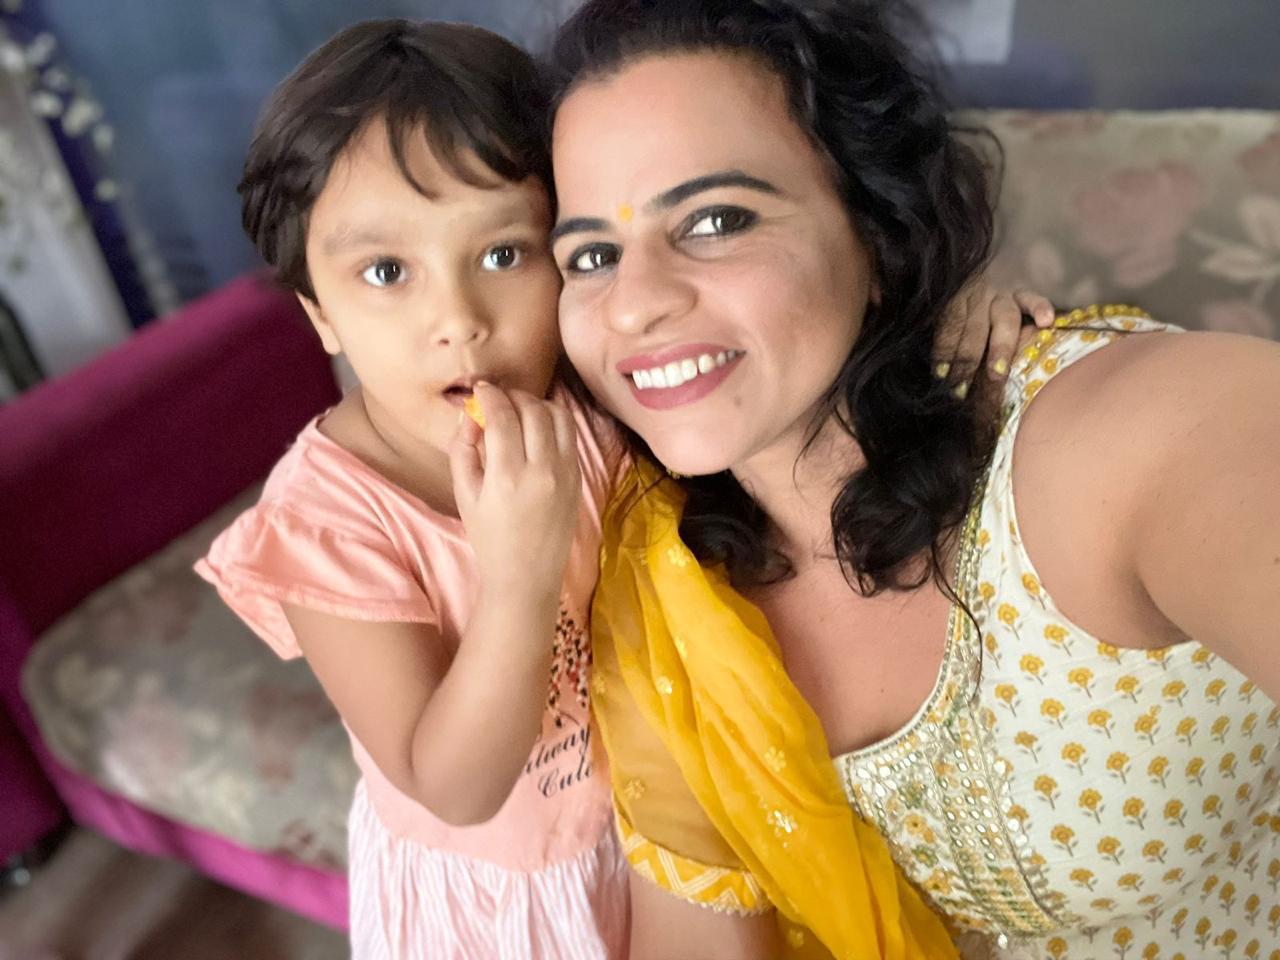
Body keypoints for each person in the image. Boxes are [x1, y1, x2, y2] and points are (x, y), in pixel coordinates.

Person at [195, 16, 1042, 960]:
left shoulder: (595, 394)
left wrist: (946, 310)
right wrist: (519, 575)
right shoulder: (326, 523)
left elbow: (788, 375)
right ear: (319, 314)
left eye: (504, 254)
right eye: (386, 271)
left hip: (663, 844)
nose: (459, 320)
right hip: (497, 907)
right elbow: (454, 787)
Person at [544, 1, 1280, 958]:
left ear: (879, 233)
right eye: (592, 255)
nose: (634, 304)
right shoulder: (665, 590)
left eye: (717, 220)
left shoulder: (1125, 439)